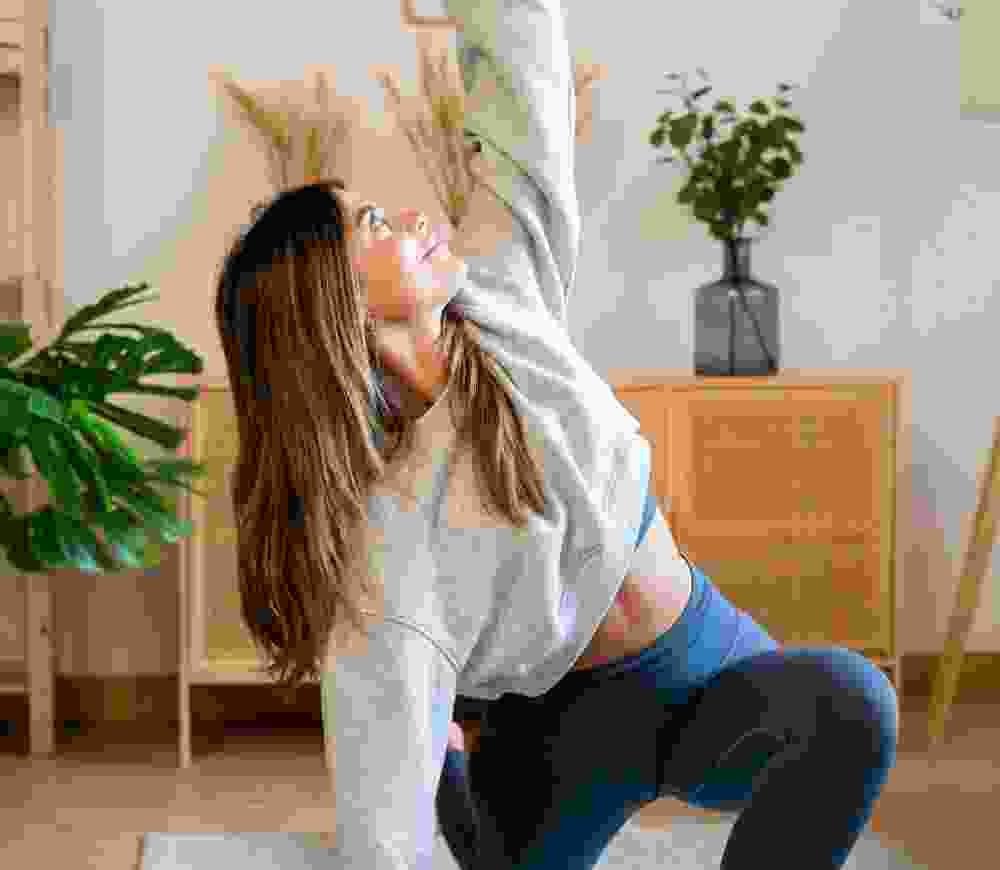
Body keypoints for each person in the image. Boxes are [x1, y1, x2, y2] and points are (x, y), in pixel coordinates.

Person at [213, 1, 898, 868]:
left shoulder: (500, 289)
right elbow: (379, 816)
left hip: (702, 665)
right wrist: (422, 786)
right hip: (565, 736)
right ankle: (464, 782)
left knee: (850, 705)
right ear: (334, 307)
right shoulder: (391, 548)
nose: (412, 217)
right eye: (373, 224)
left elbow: (525, 97)